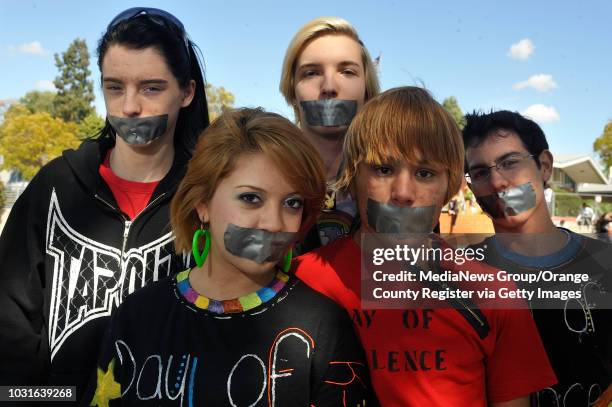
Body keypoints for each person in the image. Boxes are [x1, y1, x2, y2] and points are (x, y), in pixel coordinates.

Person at [86, 108, 375, 406]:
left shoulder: (324, 327)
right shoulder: (138, 315)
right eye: (251, 198)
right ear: (202, 203)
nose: (274, 223)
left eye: (292, 203)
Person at [295, 87, 556, 406]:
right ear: (352, 177)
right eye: (383, 169)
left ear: (451, 186)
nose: (403, 192)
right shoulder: (302, 280)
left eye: (424, 172)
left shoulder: (495, 293)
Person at [0, 7, 209, 393]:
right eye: (114, 87)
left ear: (187, 92)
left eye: (151, 88)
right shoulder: (56, 186)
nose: (129, 106)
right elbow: (10, 322)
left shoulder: (209, 196)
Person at [462, 110, 612, 406]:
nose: (497, 182)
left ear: (544, 166)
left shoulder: (604, 263)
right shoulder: (460, 274)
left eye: (510, 163)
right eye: (480, 173)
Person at [280, 16, 380, 252]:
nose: (329, 87)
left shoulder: (396, 183)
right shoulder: (263, 172)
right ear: (292, 89)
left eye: (347, 71)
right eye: (311, 73)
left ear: (367, 88)